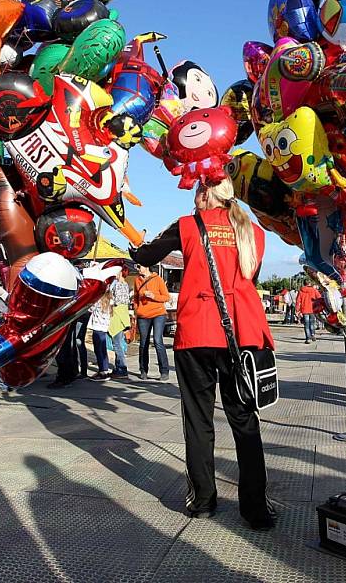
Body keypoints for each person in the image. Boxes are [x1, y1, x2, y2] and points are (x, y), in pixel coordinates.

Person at [129, 177, 277, 530]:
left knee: (198, 421)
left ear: (206, 194)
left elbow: (146, 255)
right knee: (245, 422)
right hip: (241, 333)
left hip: (197, 332)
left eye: (197, 190)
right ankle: (255, 508)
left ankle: (203, 501)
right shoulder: (254, 232)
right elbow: (248, 279)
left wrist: (132, 241)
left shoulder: (187, 225)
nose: (194, 197)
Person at [133, 264, 170, 381]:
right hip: (143, 315)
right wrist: (136, 310)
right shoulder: (137, 280)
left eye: (139, 266)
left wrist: (153, 296)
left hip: (158, 313)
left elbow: (166, 297)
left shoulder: (157, 279)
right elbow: (135, 297)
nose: (138, 269)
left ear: (147, 267)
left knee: (158, 340)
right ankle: (143, 370)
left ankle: (164, 371)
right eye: (137, 267)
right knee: (143, 342)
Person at [108, 265, 132, 378]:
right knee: (118, 343)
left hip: (117, 316)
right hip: (122, 316)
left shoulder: (118, 284)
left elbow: (116, 301)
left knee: (117, 344)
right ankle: (119, 367)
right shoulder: (125, 284)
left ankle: (122, 368)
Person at [87, 288, 113, 382]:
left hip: (97, 327)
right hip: (104, 327)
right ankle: (105, 369)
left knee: (98, 350)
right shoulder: (110, 301)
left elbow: (90, 309)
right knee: (103, 349)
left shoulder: (98, 301)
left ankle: (102, 371)